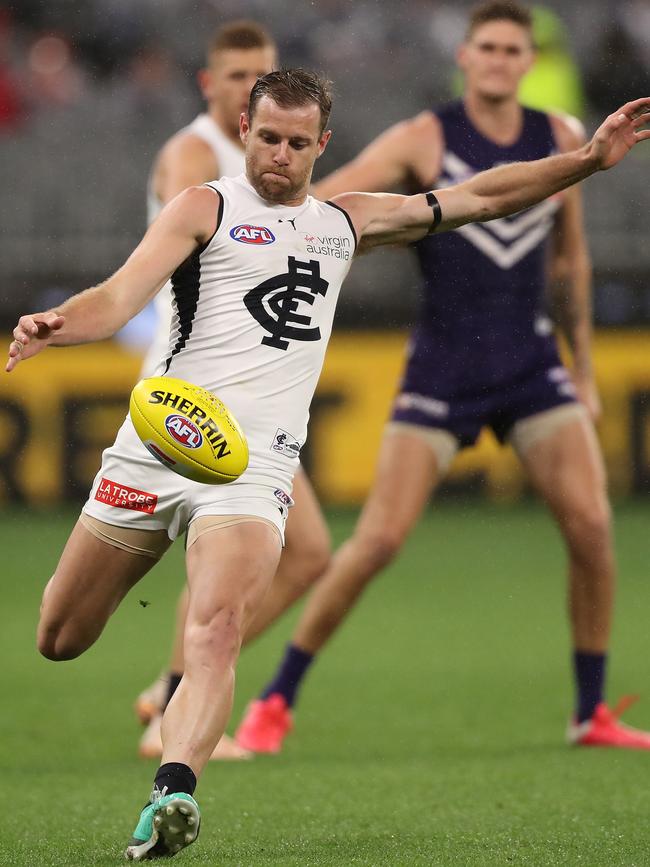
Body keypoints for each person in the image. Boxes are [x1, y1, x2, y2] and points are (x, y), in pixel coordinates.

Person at [7, 67, 648, 860]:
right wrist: (55, 323)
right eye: (268, 137)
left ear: (323, 146)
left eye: (297, 144)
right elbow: (117, 296)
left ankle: (173, 792)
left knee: (217, 628)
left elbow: (482, 196)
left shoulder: (344, 221)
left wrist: (583, 161)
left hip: (251, 469)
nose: (280, 155)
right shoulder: (203, 207)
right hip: (158, 442)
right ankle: (165, 757)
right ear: (244, 128)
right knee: (60, 635)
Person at [235, 1, 650, 756]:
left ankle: (591, 710)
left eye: (511, 49)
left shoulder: (559, 137)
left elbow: (570, 260)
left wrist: (582, 368)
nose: (497, 59)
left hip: (529, 362)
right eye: (485, 46)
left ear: (528, 61)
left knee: (593, 527)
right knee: (377, 541)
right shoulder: (424, 136)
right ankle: (274, 700)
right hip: (444, 365)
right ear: (464, 55)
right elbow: (329, 211)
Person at [134, 19, 332, 764]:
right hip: (190, 393)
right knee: (231, 563)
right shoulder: (195, 157)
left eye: (261, 72)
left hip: (250, 394)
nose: (245, 83)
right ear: (210, 84)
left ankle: (174, 688)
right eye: (234, 74)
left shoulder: (275, 156)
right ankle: (177, 703)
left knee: (309, 551)